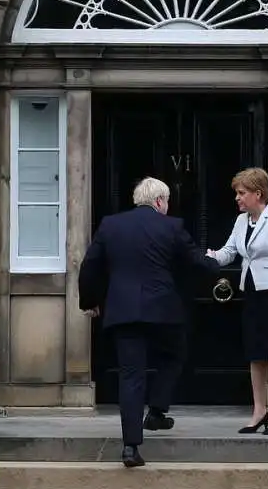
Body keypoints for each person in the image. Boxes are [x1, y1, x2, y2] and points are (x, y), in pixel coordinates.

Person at [79, 176, 220, 468]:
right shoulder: (172, 226)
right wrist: (217, 261)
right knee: (175, 354)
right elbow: (195, 261)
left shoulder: (111, 225)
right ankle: (156, 410)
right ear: (159, 201)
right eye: (166, 201)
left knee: (131, 376)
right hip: (162, 312)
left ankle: (131, 447)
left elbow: (89, 265)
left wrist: (89, 301)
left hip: (124, 311)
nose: (167, 207)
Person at [207, 168, 268, 435]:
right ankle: (259, 410)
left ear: (258, 193)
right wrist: (208, 258)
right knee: (255, 355)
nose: (237, 198)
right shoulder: (242, 222)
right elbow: (230, 251)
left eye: (242, 193)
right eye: (237, 193)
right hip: (252, 294)